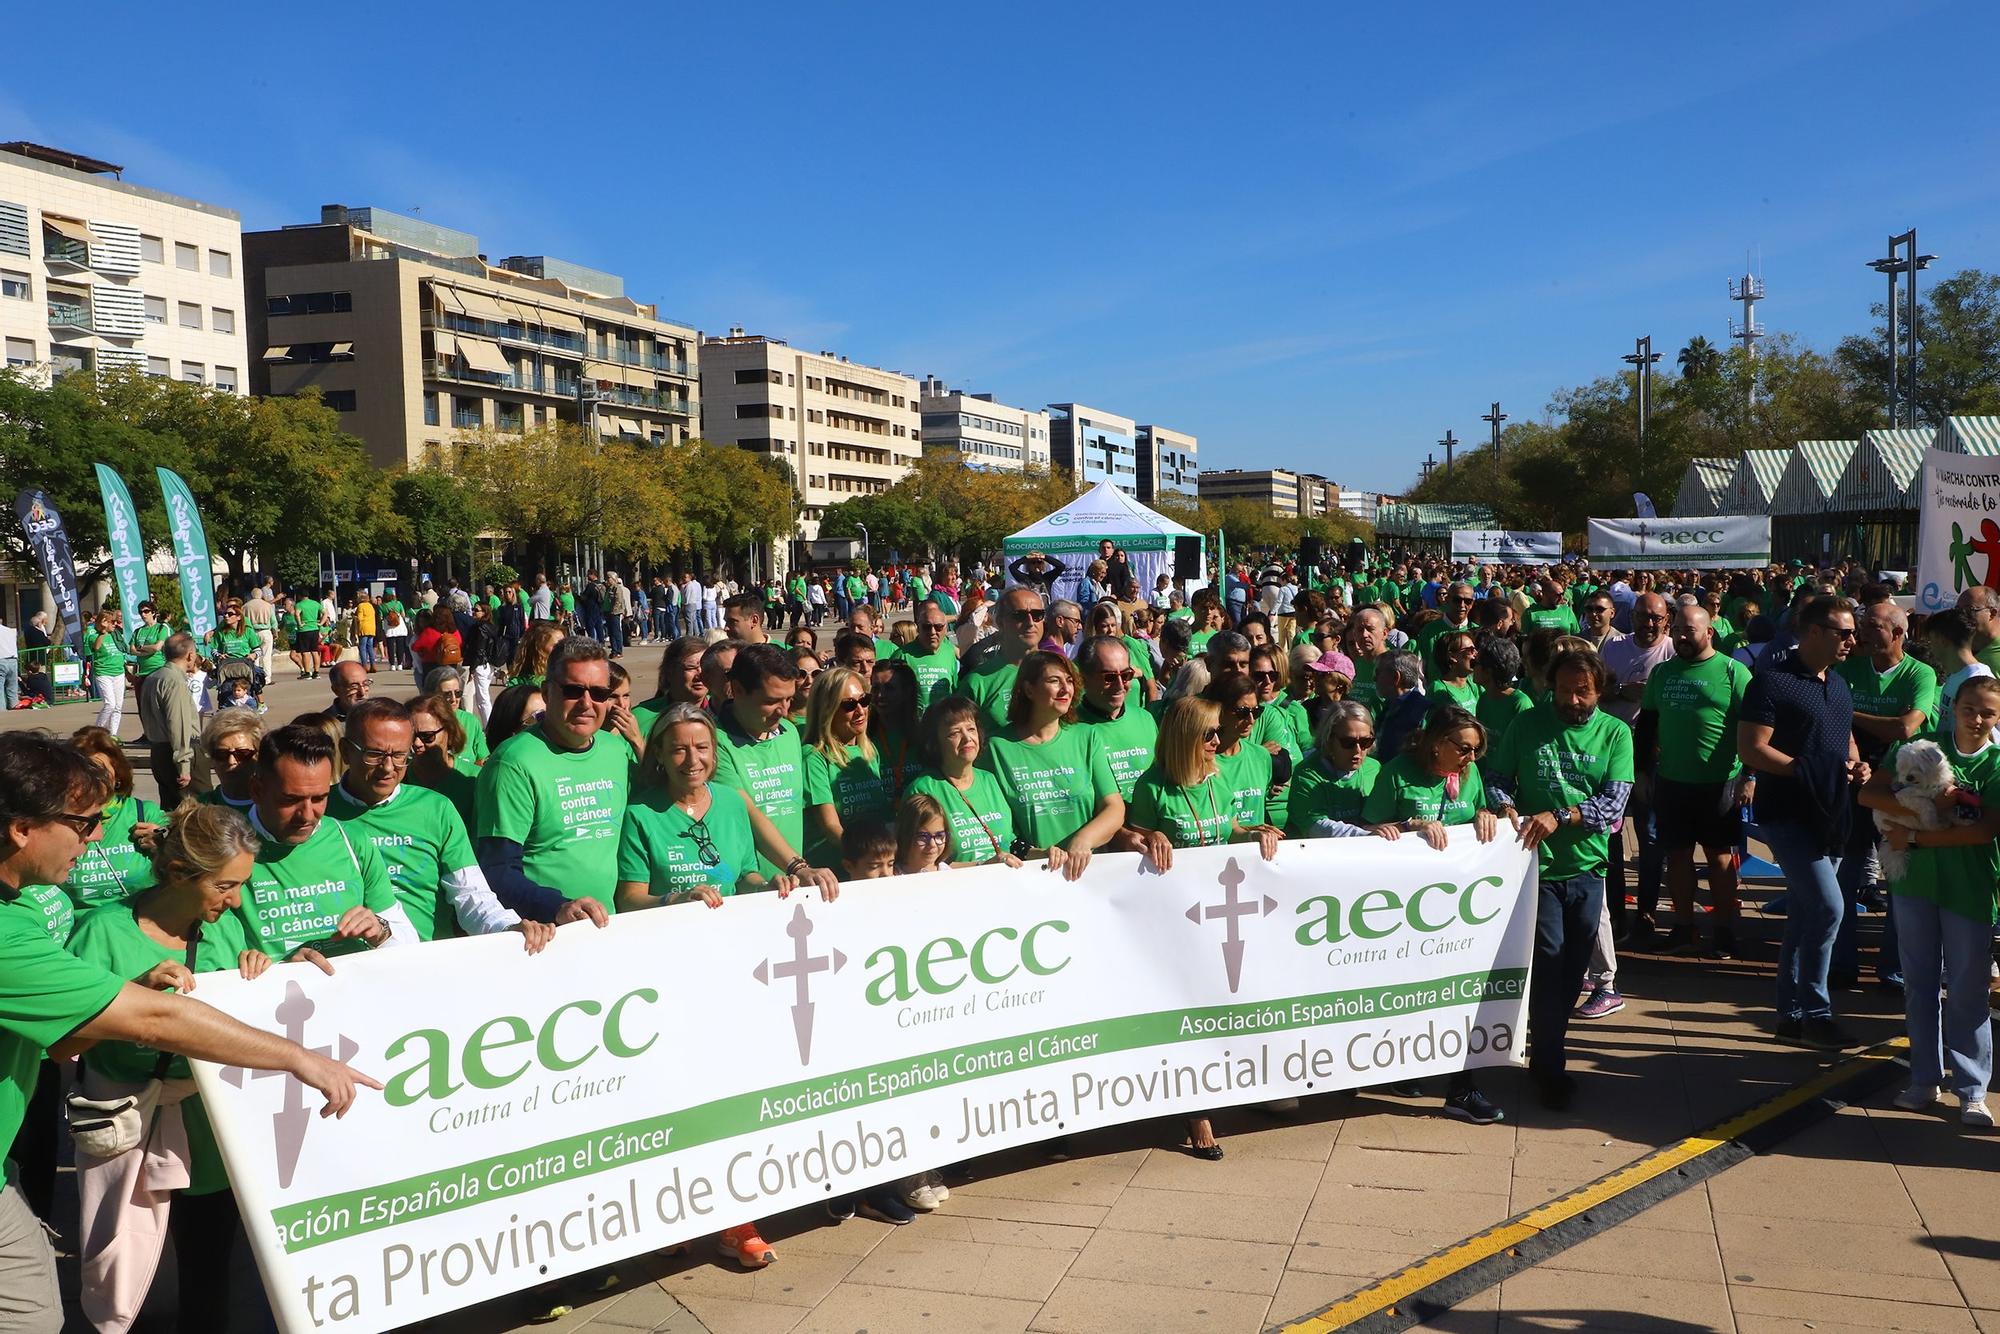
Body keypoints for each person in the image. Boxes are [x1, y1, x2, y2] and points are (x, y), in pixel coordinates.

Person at [0, 744, 374, 1334]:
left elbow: (246, 992)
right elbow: (98, 1038)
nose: (96, 839)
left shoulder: (20, 912)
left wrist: (280, 970)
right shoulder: (75, 932)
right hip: (125, 1122)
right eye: (83, 823)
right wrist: (298, 1058)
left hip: (207, 1126)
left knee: (200, 1267)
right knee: (111, 1271)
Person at [1127, 695, 1281, 1161]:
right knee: (1189, 1016)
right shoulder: (1152, 787)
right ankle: (1198, 1112)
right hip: (1174, 921)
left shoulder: (1218, 778)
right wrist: (1147, 837)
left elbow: (1226, 827)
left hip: (1218, 913)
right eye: (1209, 734)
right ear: (1185, 738)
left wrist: (1252, 831)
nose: (1219, 741)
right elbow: (1128, 837)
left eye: (1219, 733)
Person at [1488, 649, 1633, 1109]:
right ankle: (1549, 1064)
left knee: (1574, 972)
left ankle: (1547, 1039)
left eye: (1583, 691)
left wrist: (1560, 815)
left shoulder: (1616, 733)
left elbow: (1612, 805)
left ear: (1600, 690)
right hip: (1537, 868)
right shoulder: (1526, 724)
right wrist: (1504, 805)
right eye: (1565, 690)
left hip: (1589, 869)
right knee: (1550, 959)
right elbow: (1496, 777)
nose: (1572, 700)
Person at [1857, 676, 2000, 1127]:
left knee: (1968, 990)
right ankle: (1923, 1079)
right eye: (1970, 708)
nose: (1977, 719)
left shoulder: (1996, 764)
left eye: (1988, 712)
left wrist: (1916, 836)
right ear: (1952, 707)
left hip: (1971, 888)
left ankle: (1973, 1090)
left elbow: (1983, 831)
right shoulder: (1921, 748)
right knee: (1918, 984)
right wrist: (1919, 813)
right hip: (1914, 886)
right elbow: (1869, 793)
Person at [1361, 705, 1507, 1123]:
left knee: (1461, 993)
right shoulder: (1396, 773)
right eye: (1463, 749)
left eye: (1476, 751)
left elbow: (1478, 814)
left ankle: (1463, 1087)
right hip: (1403, 909)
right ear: (1436, 742)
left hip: (1458, 908)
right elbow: (1366, 829)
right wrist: (1409, 826)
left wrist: (1486, 814)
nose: (1471, 759)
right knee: (1410, 992)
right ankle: (1401, 1066)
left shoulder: (1469, 773)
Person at [1739, 595, 1869, 1050]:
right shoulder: (1771, 683)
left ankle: (1788, 1014)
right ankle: (1818, 1011)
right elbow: (1752, 749)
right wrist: (1804, 769)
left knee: (1803, 915)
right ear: (1812, 632)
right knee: (1829, 908)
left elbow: (1844, 736)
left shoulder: (1838, 684)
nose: (1852, 640)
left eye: (1853, 631)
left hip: (1830, 814)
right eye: (1843, 632)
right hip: (1788, 815)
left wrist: (1856, 764)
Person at [330, 697, 549, 950]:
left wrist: (506, 927)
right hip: (343, 969)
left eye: (400, 755)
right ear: (346, 750)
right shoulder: (316, 813)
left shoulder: (436, 808)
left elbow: (470, 894)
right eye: (375, 754)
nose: (388, 767)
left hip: (428, 964)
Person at [475, 640, 627, 926]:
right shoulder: (512, 764)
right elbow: (496, 870)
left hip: (607, 926)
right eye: (572, 690)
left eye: (598, 693)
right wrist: (557, 907)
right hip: (546, 932)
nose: (586, 703)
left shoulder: (615, 750)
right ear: (547, 692)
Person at [231, 723, 413, 962]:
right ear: (256, 790)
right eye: (291, 800)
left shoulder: (352, 839)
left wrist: (380, 932)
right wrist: (283, 968)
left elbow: (408, 943)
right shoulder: (227, 849)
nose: (307, 814)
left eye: (319, 798)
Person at [1832, 599, 1938, 991]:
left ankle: (1892, 969)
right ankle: (1841, 964)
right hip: (1854, 783)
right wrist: (1856, 756)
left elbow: (1907, 729)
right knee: (1845, 877)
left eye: (1872, 626)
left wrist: (1848, 713)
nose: (1861, 632)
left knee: (1899, 881)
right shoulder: (1849, 669)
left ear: (1898, 633)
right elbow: (1837, 723)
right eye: (1862, 624)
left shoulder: (1919, 674)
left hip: (1901, 791)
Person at [1639, 605, 1752, 965]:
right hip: (1672, 781)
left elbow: (1755, 728)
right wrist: (1642, 772)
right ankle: (1684, 927)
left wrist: (1749, 776)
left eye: (1691, 630)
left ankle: (1723, 930)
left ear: (1710, 633)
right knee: (1678, 857)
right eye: (1679, 631)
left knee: (1720, 859)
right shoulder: (1662, 673)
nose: (1683, 637)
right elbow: (1646, 727)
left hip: (1719, 782)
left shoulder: (1734, 672)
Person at [982, 651, 1126, 880]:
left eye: (1069, 681)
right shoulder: (997, 747)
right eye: (1054, 681)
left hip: (1089, 875)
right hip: (1028, 875)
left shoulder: (1087, 737)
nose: (1065, 689)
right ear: (1029, 690)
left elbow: (1114, 808)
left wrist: (1082, 841)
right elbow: (996, 824)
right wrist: (1037, 854)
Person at [1602, 592, 1675, 947]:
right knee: (1610, 832)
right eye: (1643, 617)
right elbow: (1596, 692)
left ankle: (1646, 912)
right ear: (1631, 618)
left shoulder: (1673, 651)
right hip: (1614, 751)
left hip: (1653, 755)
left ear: (1666, 621)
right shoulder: (1614, 648)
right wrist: (1621, 689)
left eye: (1656, 618)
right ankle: (1615, 913)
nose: (1649, 624)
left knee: (1650, 835)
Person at [711, 644, 810, 881]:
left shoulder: (789, 733)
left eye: (789, 699)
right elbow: (748, 813)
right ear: (737, 690)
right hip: (749, 887)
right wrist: (797, 866)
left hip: (794, 881)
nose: (783, 711)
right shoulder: (714, 741)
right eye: (772, 701)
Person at [61, 727, 167, 921]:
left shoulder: (144, 814)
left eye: (99, 770)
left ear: (117, 775)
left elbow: (192, 851)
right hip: (78, 930)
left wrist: (166, 838)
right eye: (83, 770)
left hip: (138, 926)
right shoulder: (56, 819)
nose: (92, 778)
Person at [904, 697, 1021, 868]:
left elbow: (1009, 843)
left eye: (971, 729)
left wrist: (1044, 853)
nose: (967, 738)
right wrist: (982, 865)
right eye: (954, 733)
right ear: (934, 743)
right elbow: (919, 863)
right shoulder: (922, 789)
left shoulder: (990, 780)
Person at [801, 666, 894, 867]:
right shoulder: (814, 756)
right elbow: (831, 826)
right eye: (849, 705)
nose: (860, 710)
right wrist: (868, 859)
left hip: (875, 865)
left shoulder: (869, 750)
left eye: (864, 700)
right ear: (827, 709)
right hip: (839, 869)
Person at [1072, 636, 1159, 803]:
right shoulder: (1070, 726)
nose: (1120, 684)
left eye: (1126, 675)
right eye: (1109, 677)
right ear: (1083, 679)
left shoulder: (1145, 719)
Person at [1286, 701, 1380, 838]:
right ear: (1328, 739)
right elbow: (1316, 827)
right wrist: (1366, 835)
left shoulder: (1374, 769)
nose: (1358, 750)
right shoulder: (1306, 774)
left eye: (1366, 742)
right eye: (1348, 742)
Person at [963, 587, 1048, 730]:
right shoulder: (977, 682)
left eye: (1037, 615)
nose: (1030, 622)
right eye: (1019, 615)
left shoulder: (1063, 672)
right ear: (1001, 622)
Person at [138, 633, 201, 809]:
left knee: (170, 809)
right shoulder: (174, 681)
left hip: (158, 749)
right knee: (195, 811)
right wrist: (184, 765)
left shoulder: (153, 677)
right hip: (178, 751)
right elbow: (178, 724)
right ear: (190, 655)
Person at [197, 709, 263, 814]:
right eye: (222, 754)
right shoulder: (199, 810)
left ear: (259, 755)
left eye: (242, 753)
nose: (231, 761)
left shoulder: (276, 807)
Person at [425, 667, 490, 771]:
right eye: (447, 694)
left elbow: (482, 759)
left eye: (458, 693)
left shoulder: (471, 721)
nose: (454, 699)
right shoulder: (424, 723)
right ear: (432, 695)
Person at [898, 602, 959, 710]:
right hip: (915, 724)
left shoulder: (949, 651)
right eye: (926, 627)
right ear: (918, 628)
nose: (932, 632)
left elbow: (954, 689)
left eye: (938, 627)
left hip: (944, 722)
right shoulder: (902, 655)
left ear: (946, 629)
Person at [1371, 651, 1429, 763]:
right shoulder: (1390, 704)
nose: (1374, 679)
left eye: (1378, 673)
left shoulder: (1421, 713)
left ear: (1396, 677)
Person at [85, 610, 128, 734]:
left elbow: (123, 649)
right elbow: (96, 647)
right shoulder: (93, 633)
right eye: (112, 622)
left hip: (118, 672)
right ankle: (97, 731)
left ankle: (113, 734)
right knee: (110, 704)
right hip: (104, 673)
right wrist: (103, 631)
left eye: (116, 621)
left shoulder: (116, 634)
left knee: (118, 706)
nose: (115, 624)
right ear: (104, 622)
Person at [288, 590, 323, 680]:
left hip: (304, 630)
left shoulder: (299, 604)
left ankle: (307, 672)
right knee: (314, 651)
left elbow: (297, 614)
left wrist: (299, 623)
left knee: (305, 652)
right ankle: (316, 672)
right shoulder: (315, 603)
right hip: (314, 628)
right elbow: (325, 613)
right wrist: (321, 622)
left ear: (300, 596)